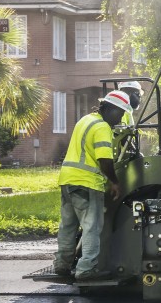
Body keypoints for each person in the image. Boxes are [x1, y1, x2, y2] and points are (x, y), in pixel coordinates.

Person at [52, 90, 131, 281]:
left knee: (68, 226)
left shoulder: (85, 119)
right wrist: (115, 182)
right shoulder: (102, 127)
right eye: (120, 113)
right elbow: (104, 160)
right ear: (110, 108)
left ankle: (62, 265)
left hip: (67, 180)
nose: (120, 118)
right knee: (92, 227)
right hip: (87, 183)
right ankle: (86, 269)